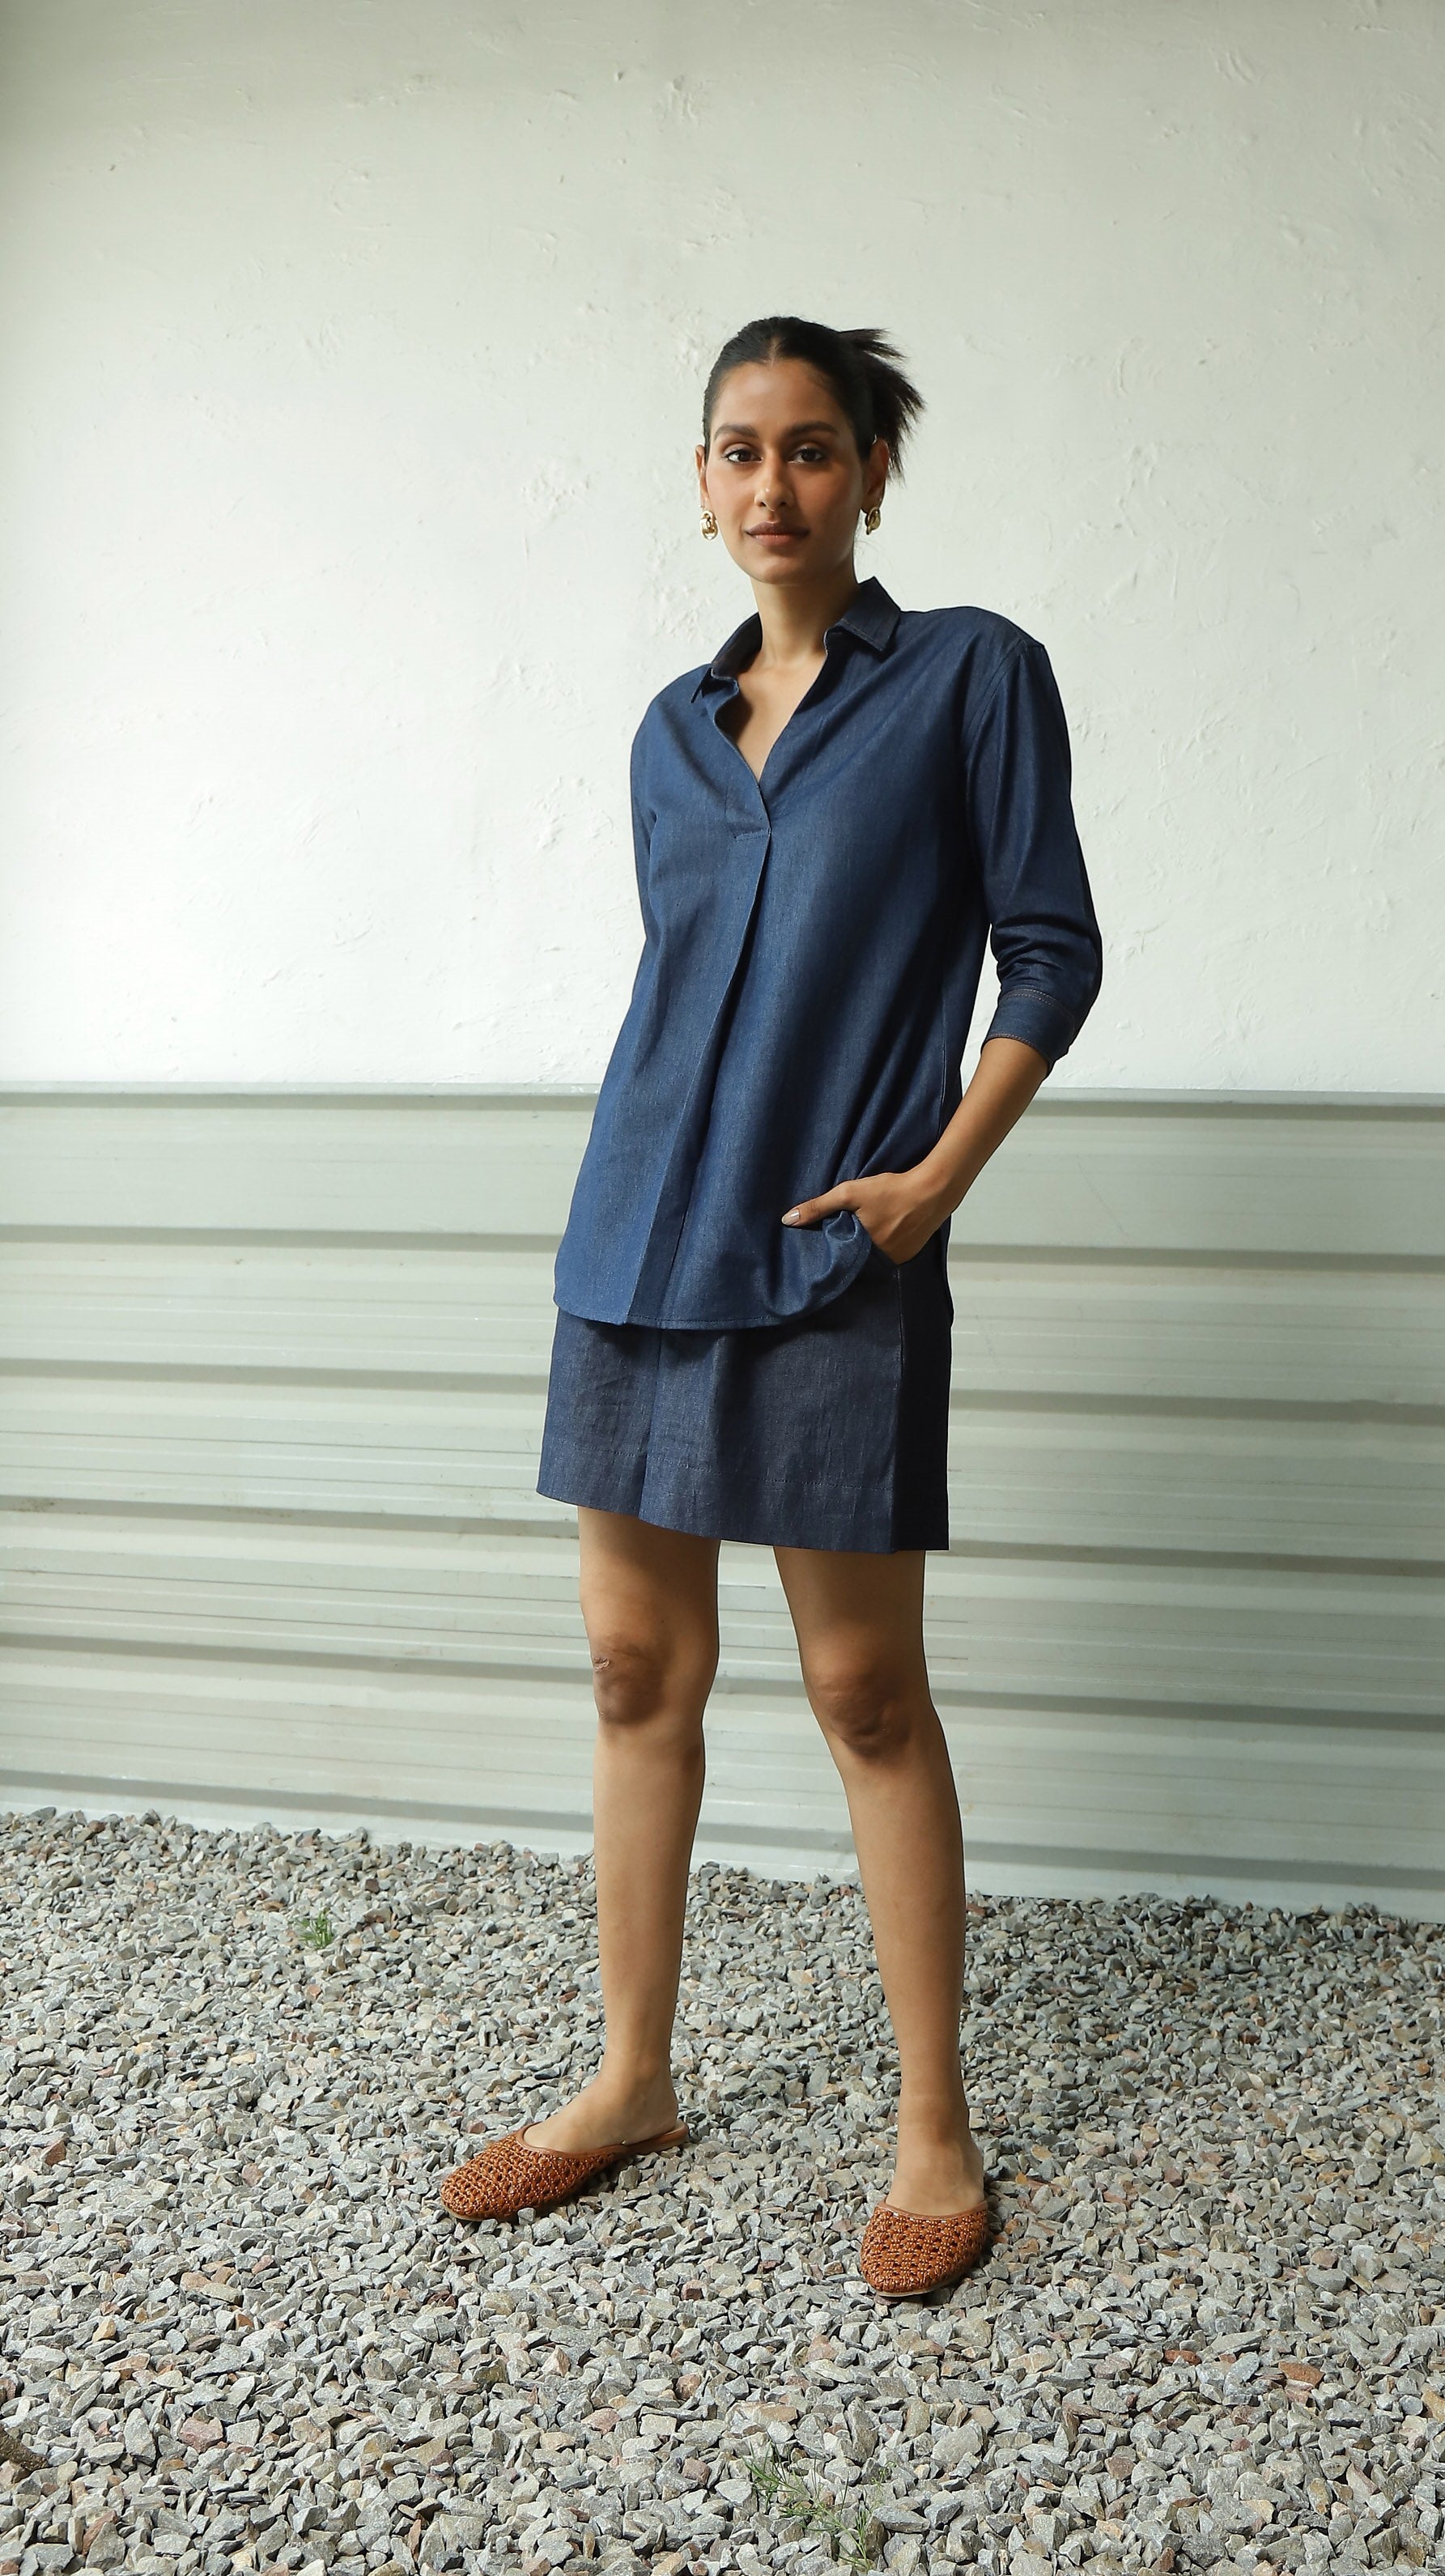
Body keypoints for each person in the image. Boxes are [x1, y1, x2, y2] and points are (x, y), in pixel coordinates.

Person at [439, 316, 1102, 2297]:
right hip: (636, 1243)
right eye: (740, 448)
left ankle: (935, 2121)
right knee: (633, 1670)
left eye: (814, 447)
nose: (773, 484)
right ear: (702, 479)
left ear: (873, 472)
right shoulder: (668, 728)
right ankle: (632, 2074)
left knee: (864, 1692)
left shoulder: (971, 675)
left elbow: (1052, 951)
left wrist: (937, 1181)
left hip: (834, 1248)